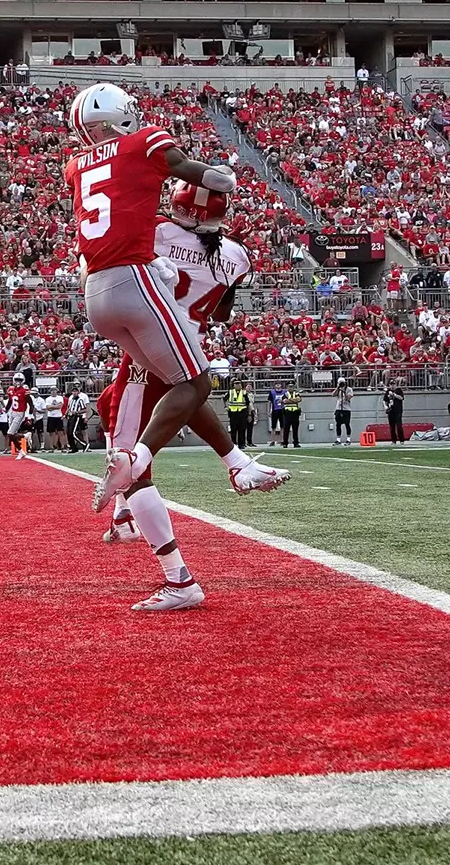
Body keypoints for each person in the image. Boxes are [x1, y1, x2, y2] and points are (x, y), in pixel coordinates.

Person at [96, 177, 287, 612]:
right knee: (169, 397)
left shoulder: (159, 231)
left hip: (151, 346)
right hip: (191, 344)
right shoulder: (237, 255)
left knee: (130, 465)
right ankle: (237, 464)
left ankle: (179, 579)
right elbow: (222, 311)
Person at [69, 82, 247, 515]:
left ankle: (128, 498)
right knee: (191, 387)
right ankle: (150, 466)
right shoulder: (237, 255)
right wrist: (225, 176)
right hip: (157, 307)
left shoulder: (76, 166)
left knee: (121, 402)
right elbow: (209, 176)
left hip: (107, 294)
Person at [5, 375, 31, 459]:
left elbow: (30, 403)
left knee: (10, 433)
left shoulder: (24, 390)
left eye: (19, 380)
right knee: (12, 434)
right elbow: (10, 401)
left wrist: (29, 414)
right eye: (16, 379)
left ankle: (23, 442)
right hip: (12, 412)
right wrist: (6, 409)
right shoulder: (11, 389)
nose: (17, 381)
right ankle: (24, 441)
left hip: (20, 413)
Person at [226, 381, 251, 448]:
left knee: (242, 429)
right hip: (233, 413)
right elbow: (224, 399)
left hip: (242, 413)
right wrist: (226, 407)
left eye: (239, 384)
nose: (237, 385)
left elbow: (248, 403)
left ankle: (241, 444)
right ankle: (233, 444)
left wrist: (249, 414)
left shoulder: (244, 393)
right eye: (236, 384)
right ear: (233, 385)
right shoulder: (230, 392)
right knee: (233, 429)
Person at [65, 387, 91, 453]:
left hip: (76, 417)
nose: (74, 393)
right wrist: (65, 414)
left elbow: (85, 409)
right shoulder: (71, 399)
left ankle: (85, 444)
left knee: (73, 433)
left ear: (78, 392)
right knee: (68, 433)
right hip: (70, 417)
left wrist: (76, 412)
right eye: (73, 391)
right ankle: (73, 448)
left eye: (76, 391)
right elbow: (69, 408)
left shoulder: (80, 400)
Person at [383, 381, 406, 445]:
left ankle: (401, 440)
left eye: (393, 384)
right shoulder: (388, 391)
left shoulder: (399, 391)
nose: (392, 386)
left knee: (399, 426)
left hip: (398, 410)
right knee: (392, 426)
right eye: (391, 384)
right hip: (391, 410)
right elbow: (384, 400)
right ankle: (393, 440)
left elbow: (401, 398)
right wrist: (385, 406)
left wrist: (394, 395)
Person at [332, 378, 354, 445]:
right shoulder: (338, 389)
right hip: (338, 408)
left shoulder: (349, 389)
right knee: (338, 424)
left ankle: (348, 439)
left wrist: (344, 391)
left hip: (346, 409)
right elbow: (333, 394)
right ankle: (338, 440)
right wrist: (338, 388)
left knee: (347, 424)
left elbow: (348, 398)